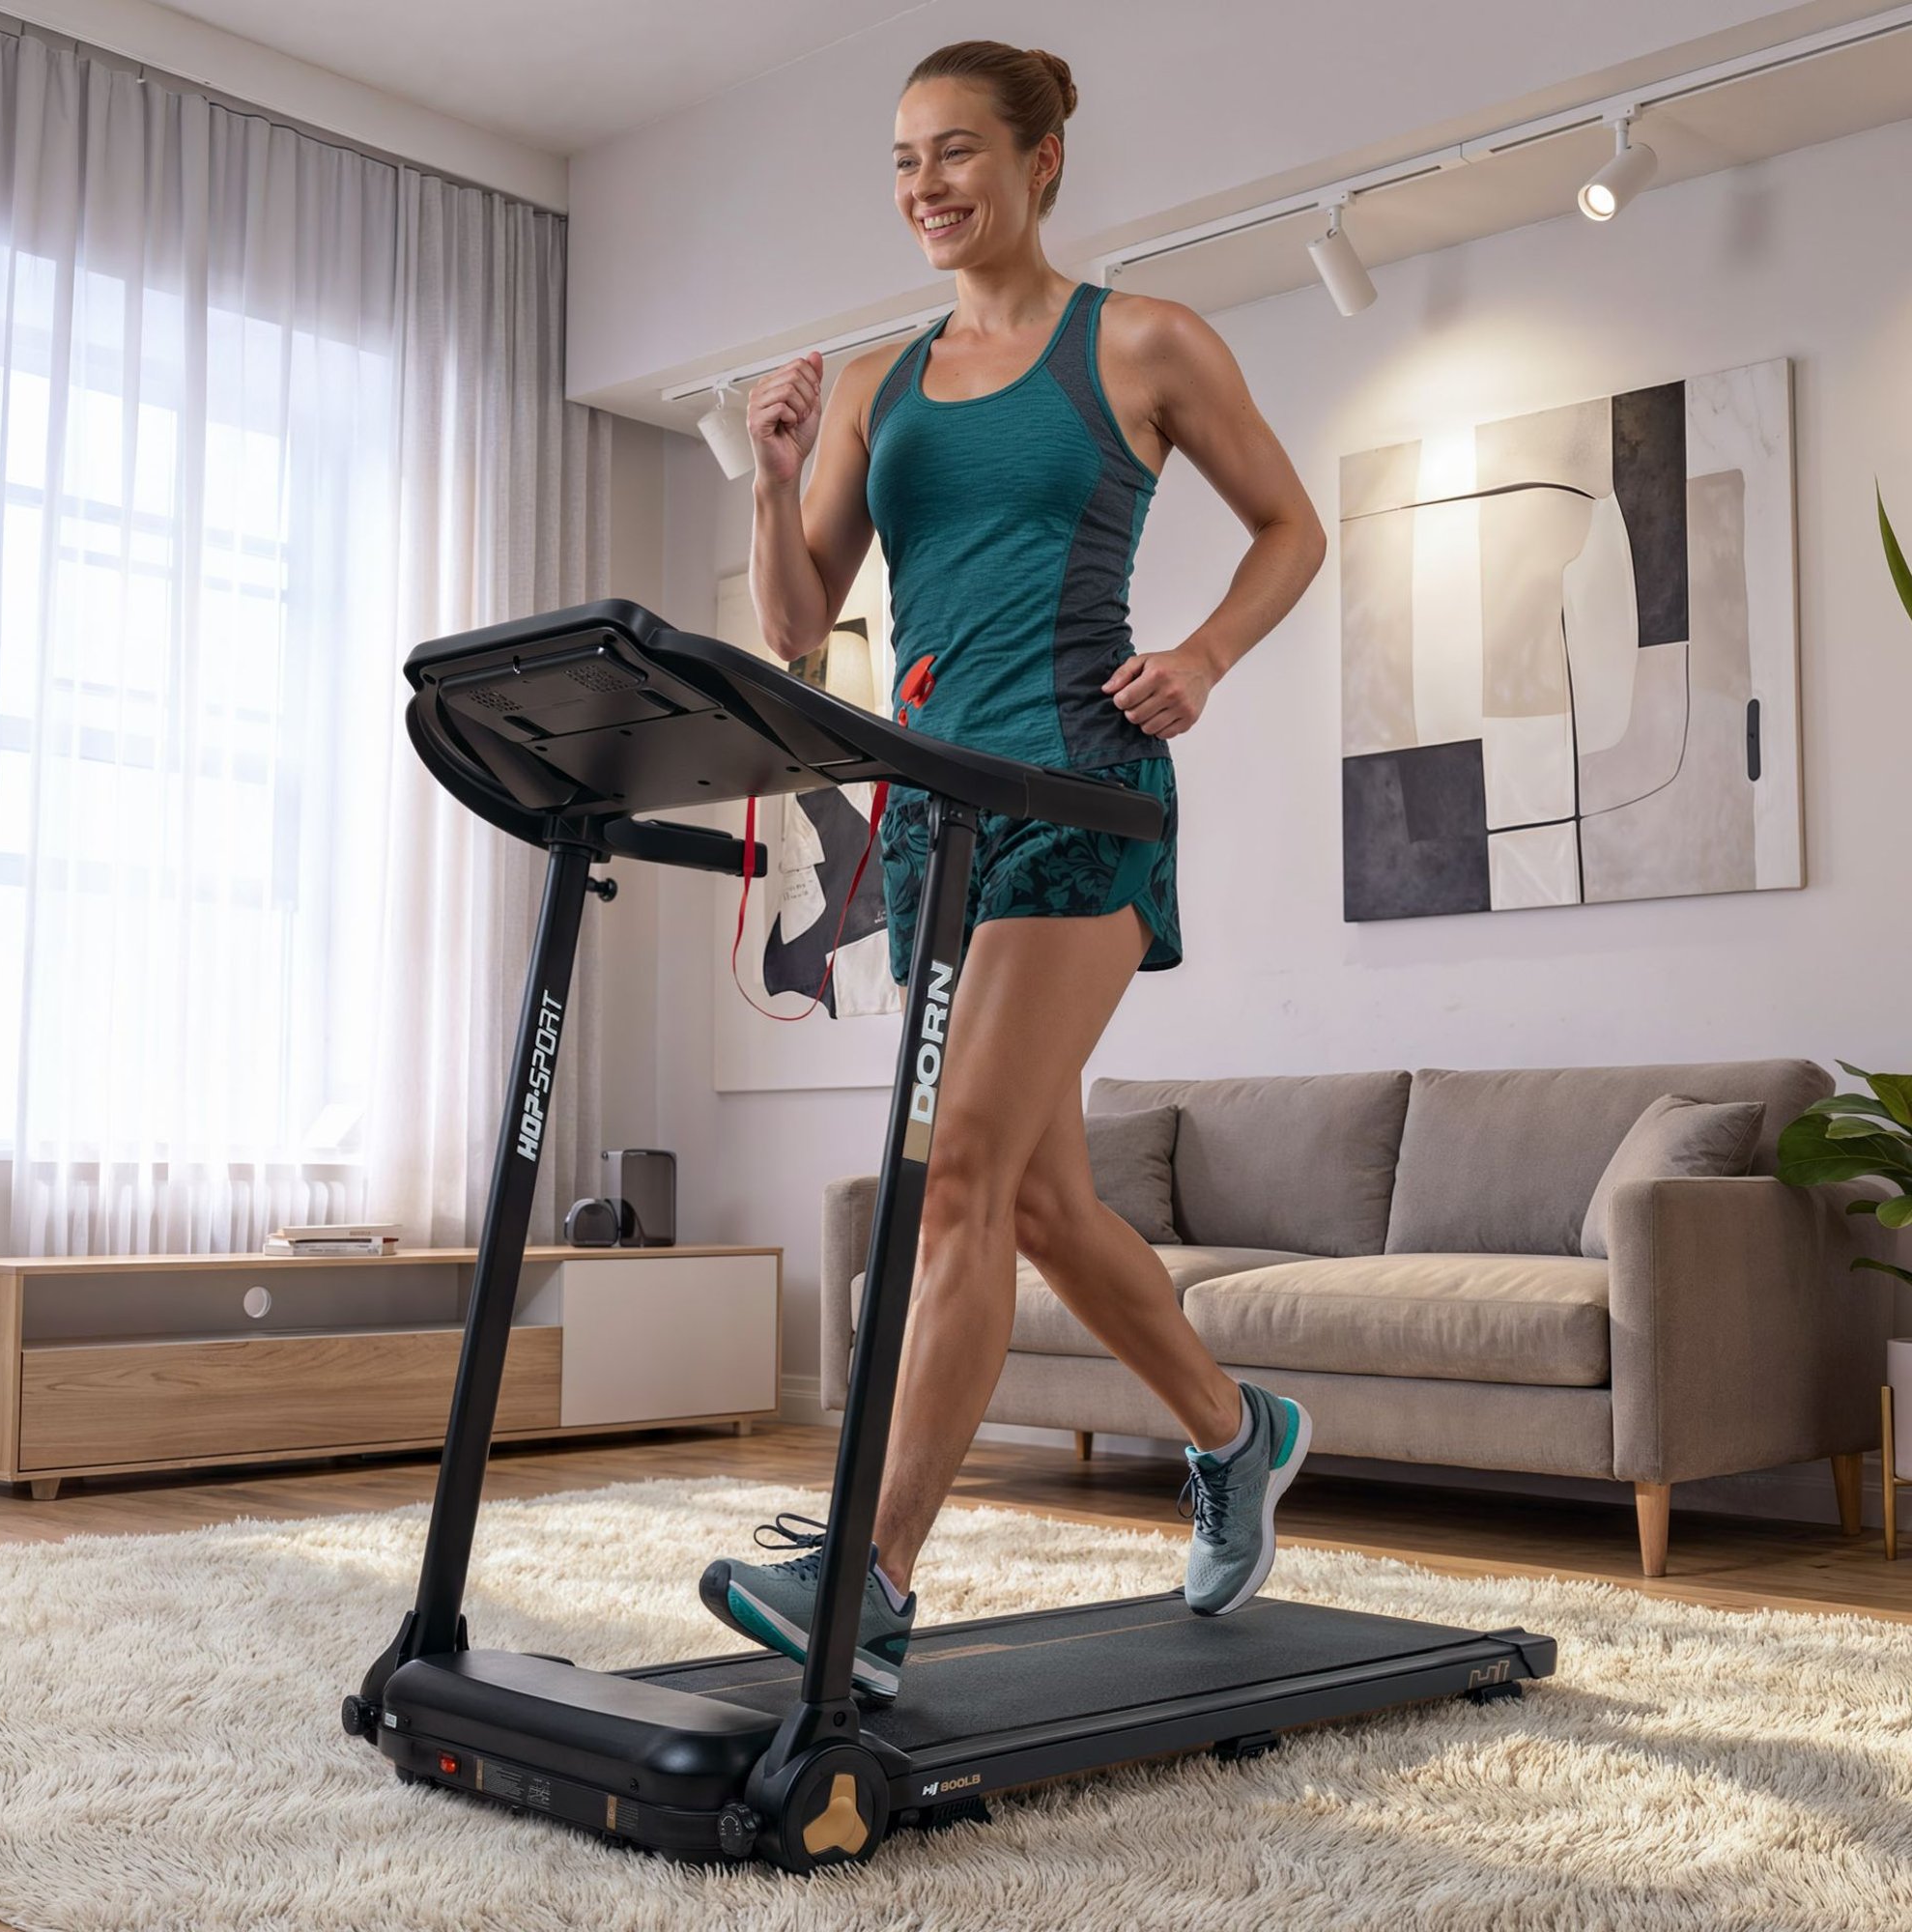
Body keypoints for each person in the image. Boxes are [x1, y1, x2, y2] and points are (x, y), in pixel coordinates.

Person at [699, 40, 1328, 1701]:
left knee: (959, 1169)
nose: (927, 187)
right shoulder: (878, 387)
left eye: (959, 151)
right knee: (1038, 1198)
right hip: (935, 821)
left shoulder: (1141, 342)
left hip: (1082, 796)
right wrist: (777, 483)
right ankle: (1239, 1432)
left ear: (1043, 161)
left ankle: (874, 1578)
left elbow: (1292, 526)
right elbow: (797, 624)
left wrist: (1203, 655)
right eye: (906, 160)